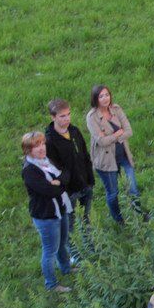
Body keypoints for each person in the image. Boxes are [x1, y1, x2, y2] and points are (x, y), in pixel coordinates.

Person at [21, 132, 75, 293]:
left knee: (62, 242)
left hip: (60, 208)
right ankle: (51, 284)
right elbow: (49, 191)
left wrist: (59, 182)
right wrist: (59, 184)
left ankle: (66, 267)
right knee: (50, 250)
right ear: (28, 150)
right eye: (36, 146)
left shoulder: (47, 161)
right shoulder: (30, 170)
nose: (41, 148)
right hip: (46, 216)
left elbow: (66, 175)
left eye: (42, 144)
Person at [85, 85, 147, 224]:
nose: (105, 98)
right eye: (101, 96)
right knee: (113, 193)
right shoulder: (92, 117)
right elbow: (101, 142)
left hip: (123, 155)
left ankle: (139, 215)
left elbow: (129, 131)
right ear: (95, 99)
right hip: (106, 160)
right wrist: (117, 134)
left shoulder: (116, 109)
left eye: (107, 95)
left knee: (133, 189)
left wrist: (112, 137)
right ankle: (119, 220)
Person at [45, 99, 94, 263]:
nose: (67, 119)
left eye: (68, 114)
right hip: (68, 191)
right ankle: (74, 255)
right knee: (69, 226)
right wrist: (64, 187)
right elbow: (54, 169)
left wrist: (90, 179)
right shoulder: (50, 141)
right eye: (62, 116)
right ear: (53, 117)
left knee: (86, 219)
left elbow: (85, 155)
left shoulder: (74, 131)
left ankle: (91, 247)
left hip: (85, 184)